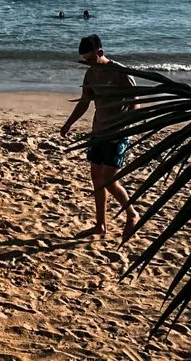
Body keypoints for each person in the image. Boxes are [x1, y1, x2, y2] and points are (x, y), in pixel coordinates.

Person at [59, 34, 139, 239]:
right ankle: (100, 225)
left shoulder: (121, 73)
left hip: (118, 133)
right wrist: (69, 123)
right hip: (98, 131)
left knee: (109, 181)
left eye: (91, 59)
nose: (89, 64)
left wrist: (125, 126)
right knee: (96, 178)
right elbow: (85, 102)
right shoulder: (91, 75)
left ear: (100, 53)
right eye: (86, 61)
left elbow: (135, 102)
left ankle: (132, 214)